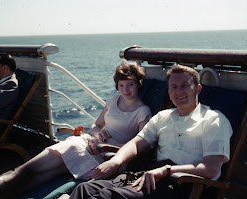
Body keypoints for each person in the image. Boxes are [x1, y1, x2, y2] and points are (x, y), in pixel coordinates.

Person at [0, 60, 152, 199]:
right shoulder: (113, 101)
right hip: (91, 143)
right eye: (121, 85)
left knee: (51, 168)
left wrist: (107, 149)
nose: (126, 90)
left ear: (138, 84)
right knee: (47, 164)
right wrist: (97, 135)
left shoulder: (142, 111)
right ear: (117, 86)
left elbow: (138, 147)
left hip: (106, 156)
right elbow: (96, 126)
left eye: (130, 84)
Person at [69, 64, 233, 199]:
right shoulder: (163, 117)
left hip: (181, 184)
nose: (179, 91)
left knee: (106, 196)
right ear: (169, 93)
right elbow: (136, 143)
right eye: (173, 87)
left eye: (185, 86)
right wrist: (116, 161)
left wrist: (166, 170)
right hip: (151, 175)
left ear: (197, 89)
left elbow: (211, 168)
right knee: (84, 189)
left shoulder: (213, 120)